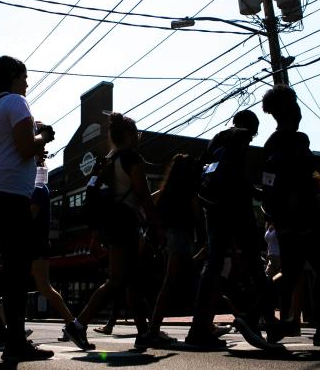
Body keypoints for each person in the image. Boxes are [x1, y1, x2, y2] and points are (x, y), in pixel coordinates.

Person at [0, 56, 57, 362]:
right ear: (12, 76)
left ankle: (11, 338)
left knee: (14, 268)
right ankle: (13, 341)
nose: (27, 82)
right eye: (24, 76)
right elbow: (25, 148)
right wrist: (44, 137)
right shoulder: (16, 102)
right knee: (18, 269)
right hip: (8, 195)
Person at [261, 87, 320, 346]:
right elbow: (300, 180)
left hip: (285, 221)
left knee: (291, 273)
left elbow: (269, 183)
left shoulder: (271, 143)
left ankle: (278, 320)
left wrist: (278, 214)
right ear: (292, 110)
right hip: (306, 219)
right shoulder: (297, 140)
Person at [187, 110, 278, 350]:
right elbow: (237, 173)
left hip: (213, 208)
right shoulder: (240, 137)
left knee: (213, 265)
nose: (251, 138)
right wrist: (256, 192)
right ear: (251, 128)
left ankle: (198, 328)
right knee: (255, 266)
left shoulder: (216, 138)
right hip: (236, 207)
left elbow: (202, 173)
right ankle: (268, 323)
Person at [73, 112, 160, 349]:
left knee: (130, 280)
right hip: (125, 223)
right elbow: (142, 195)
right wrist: (156, 224)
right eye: (137, 133)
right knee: (118, 280)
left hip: (111, 223)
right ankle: (78, 324)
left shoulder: (109, 159)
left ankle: (144, 332)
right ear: (131, 135)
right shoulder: (131, 158)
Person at [140, 153, 203, 347]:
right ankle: (154, 330)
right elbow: (198, 217)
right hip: (182, 237)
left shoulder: (167, 191)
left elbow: (148, 203)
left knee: (190, 281)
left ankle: (202, 325)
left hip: (170, 238)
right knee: (176, 283)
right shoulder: (189, 190)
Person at [30, 154, 92, 349]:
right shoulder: (41, 186)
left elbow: (31, 214)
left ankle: (72, 325)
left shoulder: (37, 187)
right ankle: (0, 326)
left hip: (33, 243)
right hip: (37, 242)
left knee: (42, 286)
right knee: (26, 284)